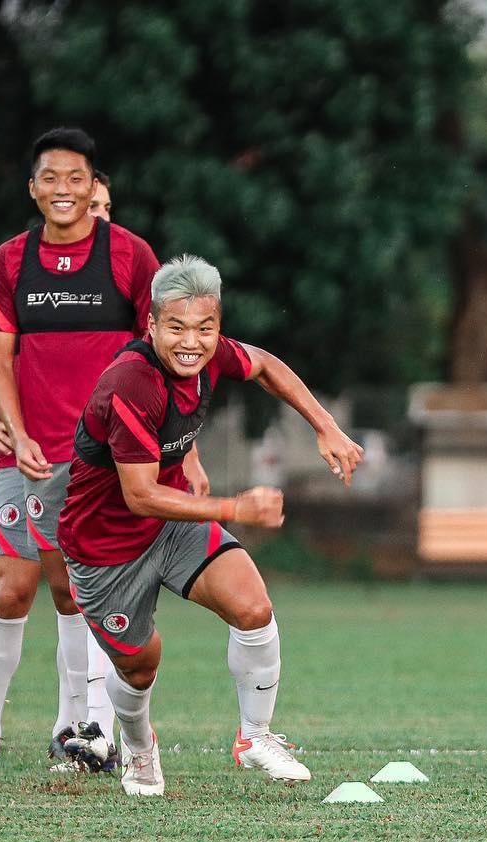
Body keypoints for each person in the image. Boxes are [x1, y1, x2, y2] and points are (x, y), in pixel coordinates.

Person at [58, 254, 363, 797]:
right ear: (151, 325)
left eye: (205, 328)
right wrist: (235, 509)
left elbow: (264, 365)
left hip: (171, 526)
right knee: (140, 667)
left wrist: (326, 427)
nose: (191, 342)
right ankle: (139, 748)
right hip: (104, 549)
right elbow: (139, 495)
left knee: (254, 608)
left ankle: (255, 737)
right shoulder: (131, 383)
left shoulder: (209, 354)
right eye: (176, 327)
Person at [0, 169, 149, 760]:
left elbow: (164, 367)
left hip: (101, 464)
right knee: (11, 589)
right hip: (26, 458)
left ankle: (75, 728)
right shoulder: (18, 274)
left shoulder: (127, 274)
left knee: (77, 593)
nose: (92, 216)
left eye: (102, 207)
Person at [0, 127, 161, 761]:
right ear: (33, 188)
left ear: (93, 187)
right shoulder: (10, 261)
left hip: (113, 460)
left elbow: (165, 349)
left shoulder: (132, 255)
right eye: (51, 178)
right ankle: (53, 727)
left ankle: (97, 732)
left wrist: (176, 447)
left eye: (76, 178)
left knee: (102, 590)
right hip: (40, 459)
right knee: (61, 591)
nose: (64, 189)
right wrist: (16, 432)